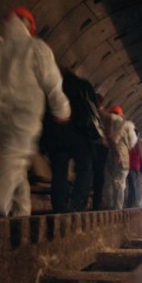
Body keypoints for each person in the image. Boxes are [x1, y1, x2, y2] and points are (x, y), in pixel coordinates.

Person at [0, 6, 71, 217]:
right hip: (26, 111)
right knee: (16, 157)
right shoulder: (36, 47)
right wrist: (61, 109)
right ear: (28, 25)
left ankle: (22, 211)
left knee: (16, 160)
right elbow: (52, 82)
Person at [40, 69, 103, 213]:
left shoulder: (51, 86)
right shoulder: (83, 85)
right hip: (80, 135)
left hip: (56, 136)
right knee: (85, 168)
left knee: (59, 173)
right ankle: (77, 203)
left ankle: (59, 207)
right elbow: (94, 109)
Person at [101, 105, 137, 210]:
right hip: (123, 156)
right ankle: (118, 207)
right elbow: (132, 142)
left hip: (109, 153)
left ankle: (109, 205)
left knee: (108, 180)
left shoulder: (107, 123)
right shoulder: (127, 125)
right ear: (121, 114)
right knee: (120, 182)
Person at [91, 94, 109, 211]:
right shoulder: (103, 115)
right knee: (99, 176)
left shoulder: (90, 110)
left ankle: (96, 203)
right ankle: (96, 203)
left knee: (94, 175)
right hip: (101, 146)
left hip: (93, 146)